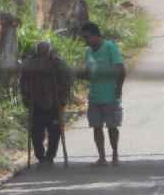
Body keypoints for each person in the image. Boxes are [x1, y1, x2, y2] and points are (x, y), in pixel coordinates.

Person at [19, 41, 72, 167]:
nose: (42, 54)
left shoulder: (57, 63)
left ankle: (49, 156)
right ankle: (41, 156)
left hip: (54, 103)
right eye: (40, 51)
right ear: (37, 52)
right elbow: (23, 83)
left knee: (54, 131)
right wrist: (27, 98)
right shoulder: (30, 63)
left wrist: (62, 97)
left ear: (48, 51)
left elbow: (67, 80)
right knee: (36, 132)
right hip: (36, 104)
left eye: (44, 51)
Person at [79, 22, 125, 166]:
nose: (85, 40)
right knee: (96, 127)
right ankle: (102, 157)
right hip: (95, 96)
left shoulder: (110, 47)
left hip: (110, 95)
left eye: (86, 37)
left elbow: (121, 69)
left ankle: (115, 154)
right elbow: (88, 73)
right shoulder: (88, 52)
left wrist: (118, 88)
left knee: (112, 127)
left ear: (95, 35)